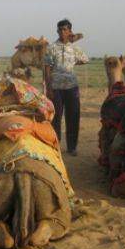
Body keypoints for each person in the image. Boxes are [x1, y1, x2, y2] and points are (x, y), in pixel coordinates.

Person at [44, 19, 89, 156]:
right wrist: (49, 88)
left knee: (73, 117)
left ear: (70, 31)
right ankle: (55, 146)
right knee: (55, 118)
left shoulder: (75, 48)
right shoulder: (51, 48)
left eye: (65, 29)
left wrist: (71, 63)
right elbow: (47, 68)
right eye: (60, 29)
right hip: (56, 88)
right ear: (57, 31)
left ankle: (72, 147)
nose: (62, 32)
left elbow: (85, 59)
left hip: (72, 87)